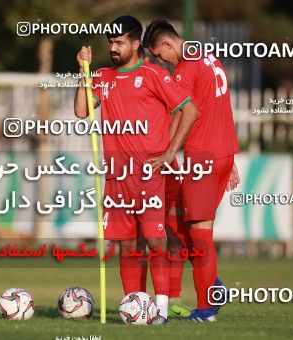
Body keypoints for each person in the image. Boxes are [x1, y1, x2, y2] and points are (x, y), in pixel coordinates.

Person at [74, 15, 197, 324]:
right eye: (110, 43)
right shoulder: (102, 75)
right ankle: (134, 308)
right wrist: (83, 72)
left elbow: (189, 110)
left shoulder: (153, 74)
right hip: (117, 175)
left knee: (156, 241)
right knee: (128, 245)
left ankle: (162, 311)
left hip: (149, 175)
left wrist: (170, 153)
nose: (113, 48)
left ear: (135, 43)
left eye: (119, 43)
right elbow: (80, 110)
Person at [142, 19, 240, 322]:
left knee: (200, 236)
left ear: (169, 44)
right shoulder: (210, 58)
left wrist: (166, 152)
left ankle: (206, 309)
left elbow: (183, 112)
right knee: (186, 228)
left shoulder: (186, 69)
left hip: (203, 158)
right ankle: (215, 287)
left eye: (159, 55)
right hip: (223, 152)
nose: (160, 62)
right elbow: (218, 104)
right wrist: (231, 159)